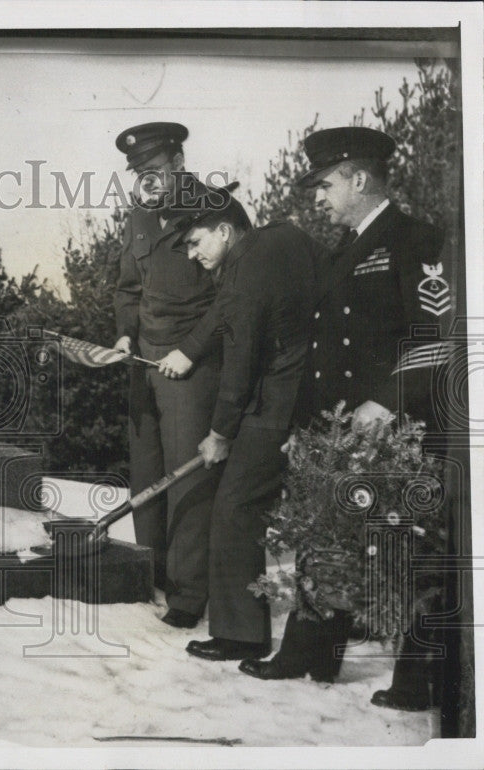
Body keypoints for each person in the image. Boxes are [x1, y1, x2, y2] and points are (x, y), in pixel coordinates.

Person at [238, 127, 456, 709]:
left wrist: (388, 401)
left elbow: (438, 337)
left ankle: (418, 681)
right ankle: (309, 651)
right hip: (340, 427)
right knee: (325, 536)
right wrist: (308, 431)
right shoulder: (343, 250)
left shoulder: (416, 239)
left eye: (326, 184)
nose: (316, 197)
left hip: (398, 426)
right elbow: (325, 353)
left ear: (360, 179)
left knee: (407, 547)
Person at [156, 182, 322, 662]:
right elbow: (226, 313)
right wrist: (187, 351)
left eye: (195, 241)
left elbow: (241, 357)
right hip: (312, 395)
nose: (191, 254)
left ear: (225, 230)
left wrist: (220, 433)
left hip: (276, 405)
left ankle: (240, 635)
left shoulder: (246, 268)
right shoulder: (277, 241)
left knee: (233, 510)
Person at [112, 122, 224, 629]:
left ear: (179, 162)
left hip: (190, 367)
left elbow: (231, 300)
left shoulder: (216, 208)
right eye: (139, 173)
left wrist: (191, 350)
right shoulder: (138, 215)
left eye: (154, 170)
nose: (147, 181)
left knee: (186, 479)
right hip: (143, 364)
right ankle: (151, 577)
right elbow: (128, 288)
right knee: (147, 474)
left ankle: (186, 594)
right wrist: (124, 336)